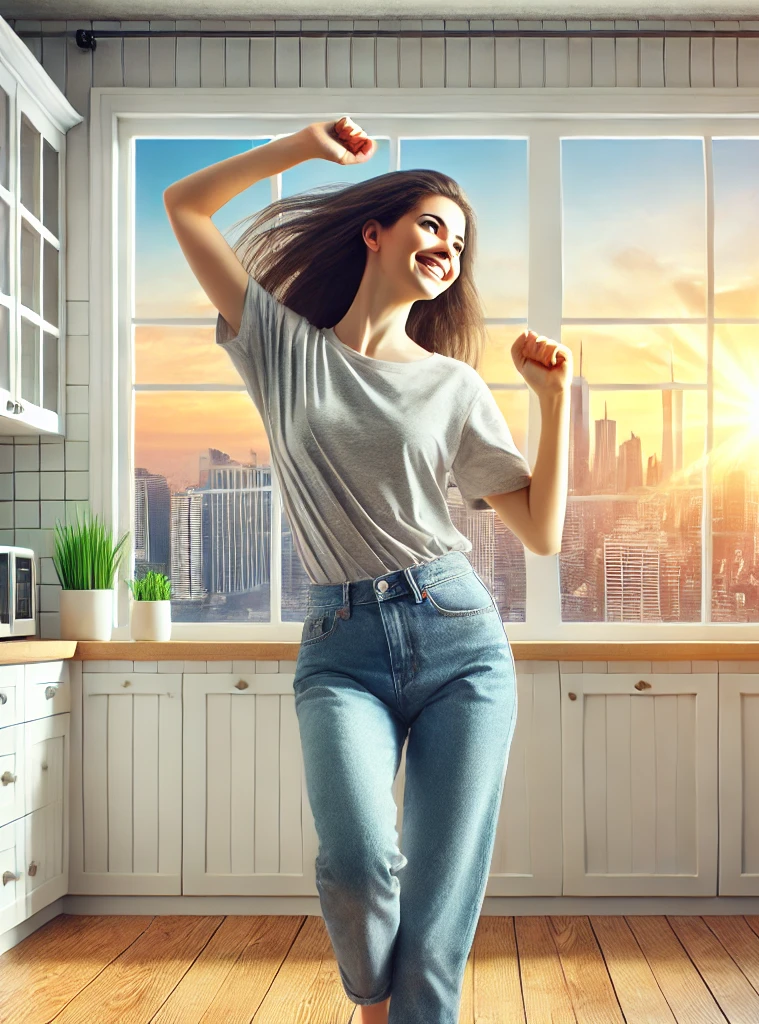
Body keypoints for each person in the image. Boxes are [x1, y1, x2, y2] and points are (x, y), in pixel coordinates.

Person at [163, 116, 571, 1024]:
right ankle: (371, 1003)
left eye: (459, 243)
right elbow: (184, 207)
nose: (447, 249)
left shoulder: (455, 386)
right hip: (340, 645)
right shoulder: (282, 348)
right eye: (431, 225)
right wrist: (298, 149)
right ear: (375, 230)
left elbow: (540, 530)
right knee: (355, 865)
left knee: (439, 906)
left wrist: (553, 401)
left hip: (459, 638)